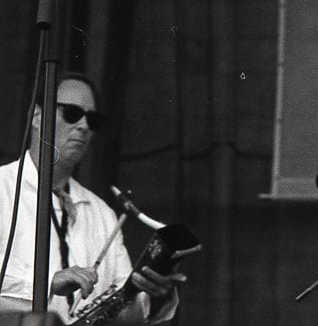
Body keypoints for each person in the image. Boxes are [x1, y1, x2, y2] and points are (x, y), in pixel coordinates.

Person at [0, 73, 186, 324]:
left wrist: (154, 297)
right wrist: (46, 283)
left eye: (93, 119)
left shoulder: (103, 214)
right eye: (72, 113)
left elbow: (125, 316)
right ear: (37, 116)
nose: (84, 126)